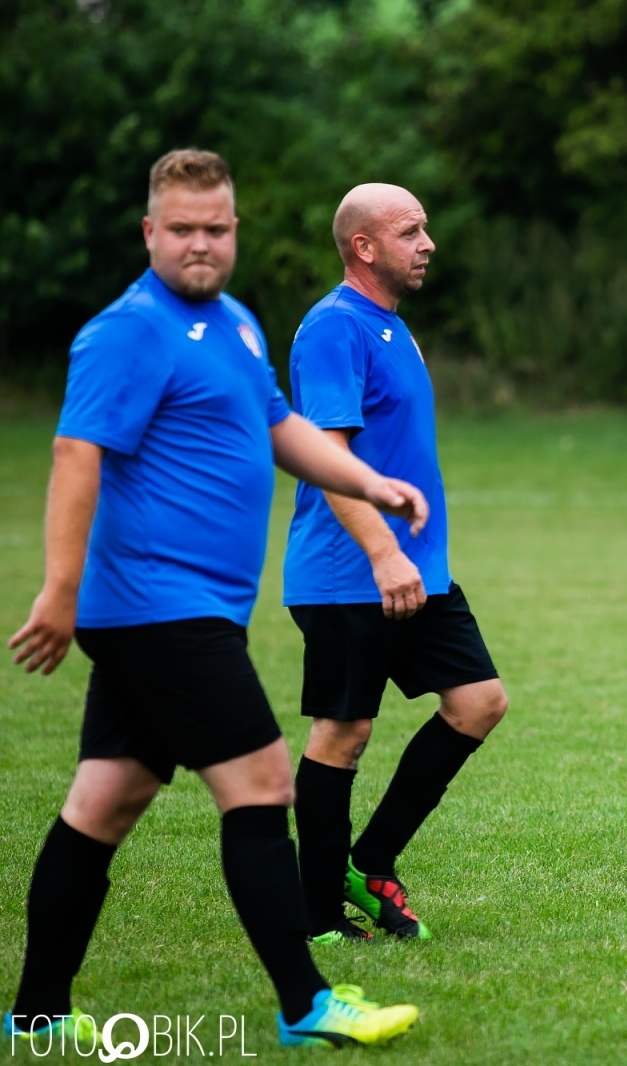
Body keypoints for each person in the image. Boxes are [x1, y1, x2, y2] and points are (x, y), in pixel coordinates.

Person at [3, 149, 422, 1049]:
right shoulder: (126, 332)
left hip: (192, 608)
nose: (201, 245)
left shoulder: (233, 322)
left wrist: (372, 486)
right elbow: (77, 458)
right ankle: (307, 1002)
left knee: (104, 800)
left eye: (216, 228)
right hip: (157, 608)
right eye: (182, 229)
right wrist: (60, 594)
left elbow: (283, 430)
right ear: (150, 232)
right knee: (263, 781)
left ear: (235, 230)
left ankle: (34, 1015)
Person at [284, 184, 507, 943]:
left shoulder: (391, 328)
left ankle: (370, 860)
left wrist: (406, 556)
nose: (428, 242)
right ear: (364, 247)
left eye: (426, 227)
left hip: (415, 569)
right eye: (410, 231)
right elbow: (324, 458)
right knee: (341, 735)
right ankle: (316, 917)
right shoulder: (332, 329)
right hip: (350, 572)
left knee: (478, 701)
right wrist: (382, 552)